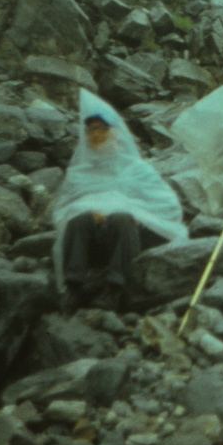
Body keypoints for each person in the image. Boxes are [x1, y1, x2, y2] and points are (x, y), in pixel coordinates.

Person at [53, 89, 188, 312]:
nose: (96, 135)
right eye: (91, 130)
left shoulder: (137, 168)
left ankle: (115, 289)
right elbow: (65, 207)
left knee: (122, 219)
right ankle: (74, 286)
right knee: (78, 220)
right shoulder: (81, 170)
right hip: (94, 240)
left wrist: (138, 215)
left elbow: (168, 205)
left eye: (102, 129)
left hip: (132, 237)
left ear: (115, 132)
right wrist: (91, 211)